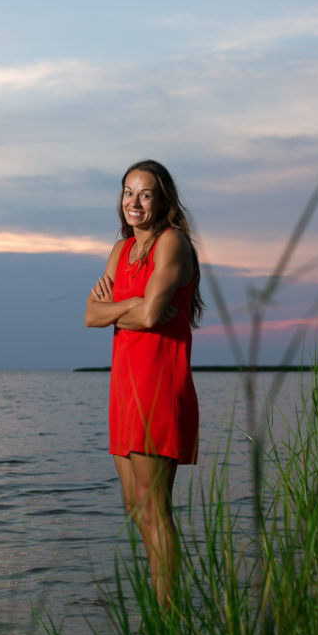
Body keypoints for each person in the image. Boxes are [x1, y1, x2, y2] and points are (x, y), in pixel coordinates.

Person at [84, 160, 203, 608]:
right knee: (137, 509)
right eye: (128, 192)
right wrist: (133, 300)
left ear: (162, 199)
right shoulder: (121, 250)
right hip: (124, 388)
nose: (134, 202)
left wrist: (121, 309)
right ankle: (161, 612)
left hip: (158, 385)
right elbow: (90, 316)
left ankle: (169, 619)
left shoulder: (172, 242)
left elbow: (153, 317)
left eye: (145, 193)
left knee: (155, 512)